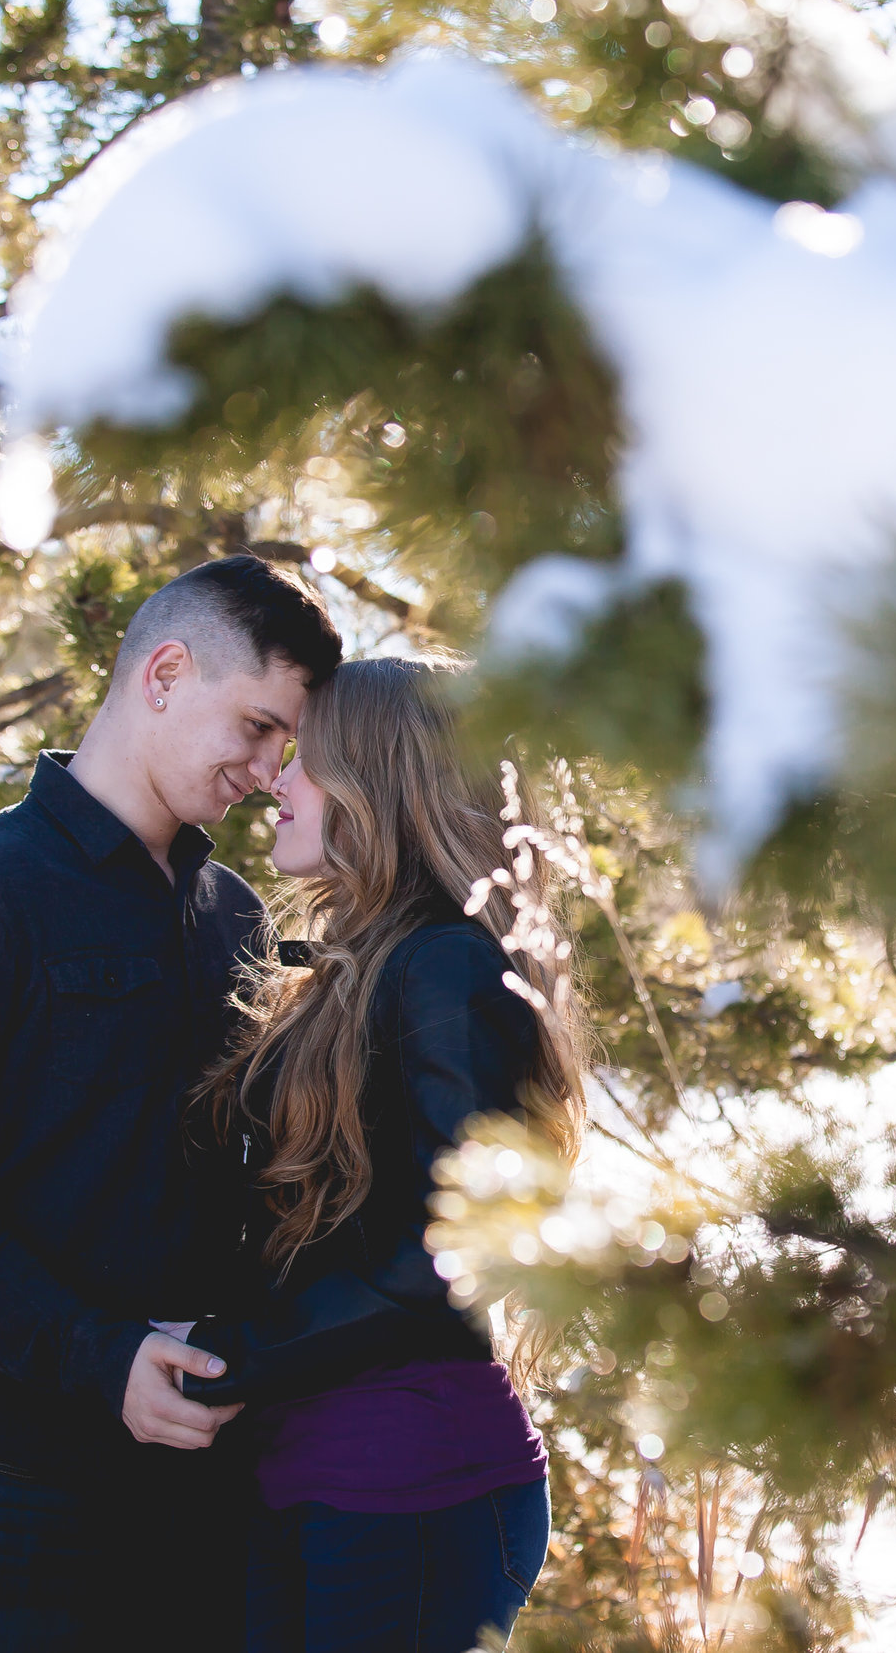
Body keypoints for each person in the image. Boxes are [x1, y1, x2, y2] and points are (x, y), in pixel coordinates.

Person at [0, 554, 341, 1651]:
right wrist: (93, 1352)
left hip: (200, 1484)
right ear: (164, 672)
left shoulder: (232, 915)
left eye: (285, 745)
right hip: (5, 1474)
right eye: (256, 726)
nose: (267, 769)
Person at [177, 656, 590, 1652]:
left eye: (305, 760)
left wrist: (232, 1354)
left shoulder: (449, 968)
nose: (275, 776)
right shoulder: (357, 966)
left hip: (409, 1479)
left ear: (376, 780)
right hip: (319, 1469)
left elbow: (457, 1242)